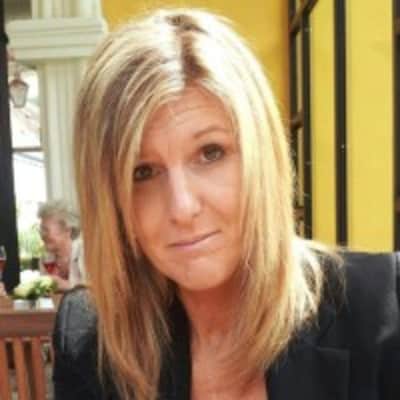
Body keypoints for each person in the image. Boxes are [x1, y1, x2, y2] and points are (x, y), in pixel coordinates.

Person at [53, 8, 400, 400]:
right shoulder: (90, 342)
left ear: (262, 154)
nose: (182, 207)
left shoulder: (384, 309)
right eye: (142, 172)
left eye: (211, 153)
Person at [38, 200, 85, 291]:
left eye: (46, 230)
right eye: (41, 230)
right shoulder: (45, 259)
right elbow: (46, 293)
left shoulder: (84, 252)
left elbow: (98, 288)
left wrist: (66, 285)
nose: (42, 234)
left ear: (67, 230)